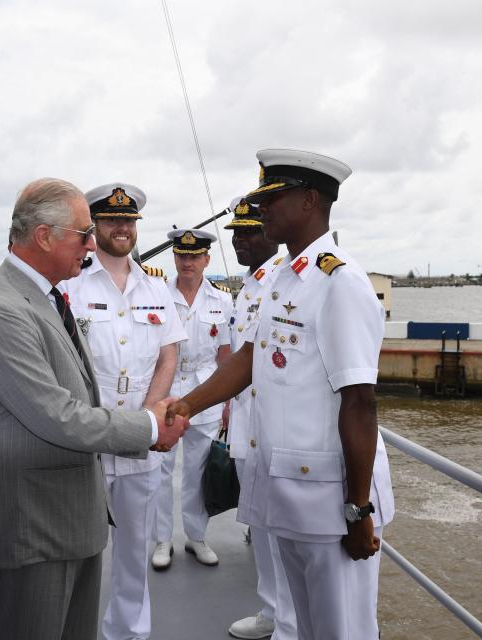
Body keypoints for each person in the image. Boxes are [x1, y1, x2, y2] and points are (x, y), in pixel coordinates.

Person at [166, 149, 395, 639]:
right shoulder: (284, 278)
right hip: (289, 495)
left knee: (343, 632)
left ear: (310, 200)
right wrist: (187, 405)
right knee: (308, 628)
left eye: (273, 198)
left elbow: (360, 401)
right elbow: (249, 358)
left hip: (333, 502)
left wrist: (359, 511)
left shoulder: (341, 281)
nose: (261, 209)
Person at [0, 178, 188, 640]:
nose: (90, 245)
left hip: (69, 519)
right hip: (33, 527)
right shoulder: (4, 309)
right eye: (83, 234)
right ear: (45, 236)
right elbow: (56, 415)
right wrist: (148, 426)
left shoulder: (46, 296)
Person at [60, 182, 186, 640]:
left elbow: (170, 353)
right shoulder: (70, 286)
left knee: (134, 549)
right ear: (94, 226)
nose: (122, 228)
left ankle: (129, 633)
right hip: (85, 437)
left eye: (129, 221)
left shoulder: (156, 287)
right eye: (113, 220)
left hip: (138, 437)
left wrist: (152, 412)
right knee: (77, 549)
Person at [221, 196, 297, 640]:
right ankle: (271, 611)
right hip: (247, 424)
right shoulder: (249, 285)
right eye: (235, 233)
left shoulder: (281, 282)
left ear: (270, 233)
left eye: (249, 232)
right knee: (261, 527)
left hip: (276, 425)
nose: (238, 241)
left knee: (282, 528)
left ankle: (290, 621)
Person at [152, 228, 233, 570]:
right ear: (175, 257)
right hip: (166, 389)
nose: (188, 262)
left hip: (206, 391)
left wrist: (229, 402)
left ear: (206, 260)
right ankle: (161, 539)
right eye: (182, 255)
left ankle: (196, 537)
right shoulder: (156, 294)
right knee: (160, 469)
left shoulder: (223, 300)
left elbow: (226, 355)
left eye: (194, 256)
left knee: (198, 471)